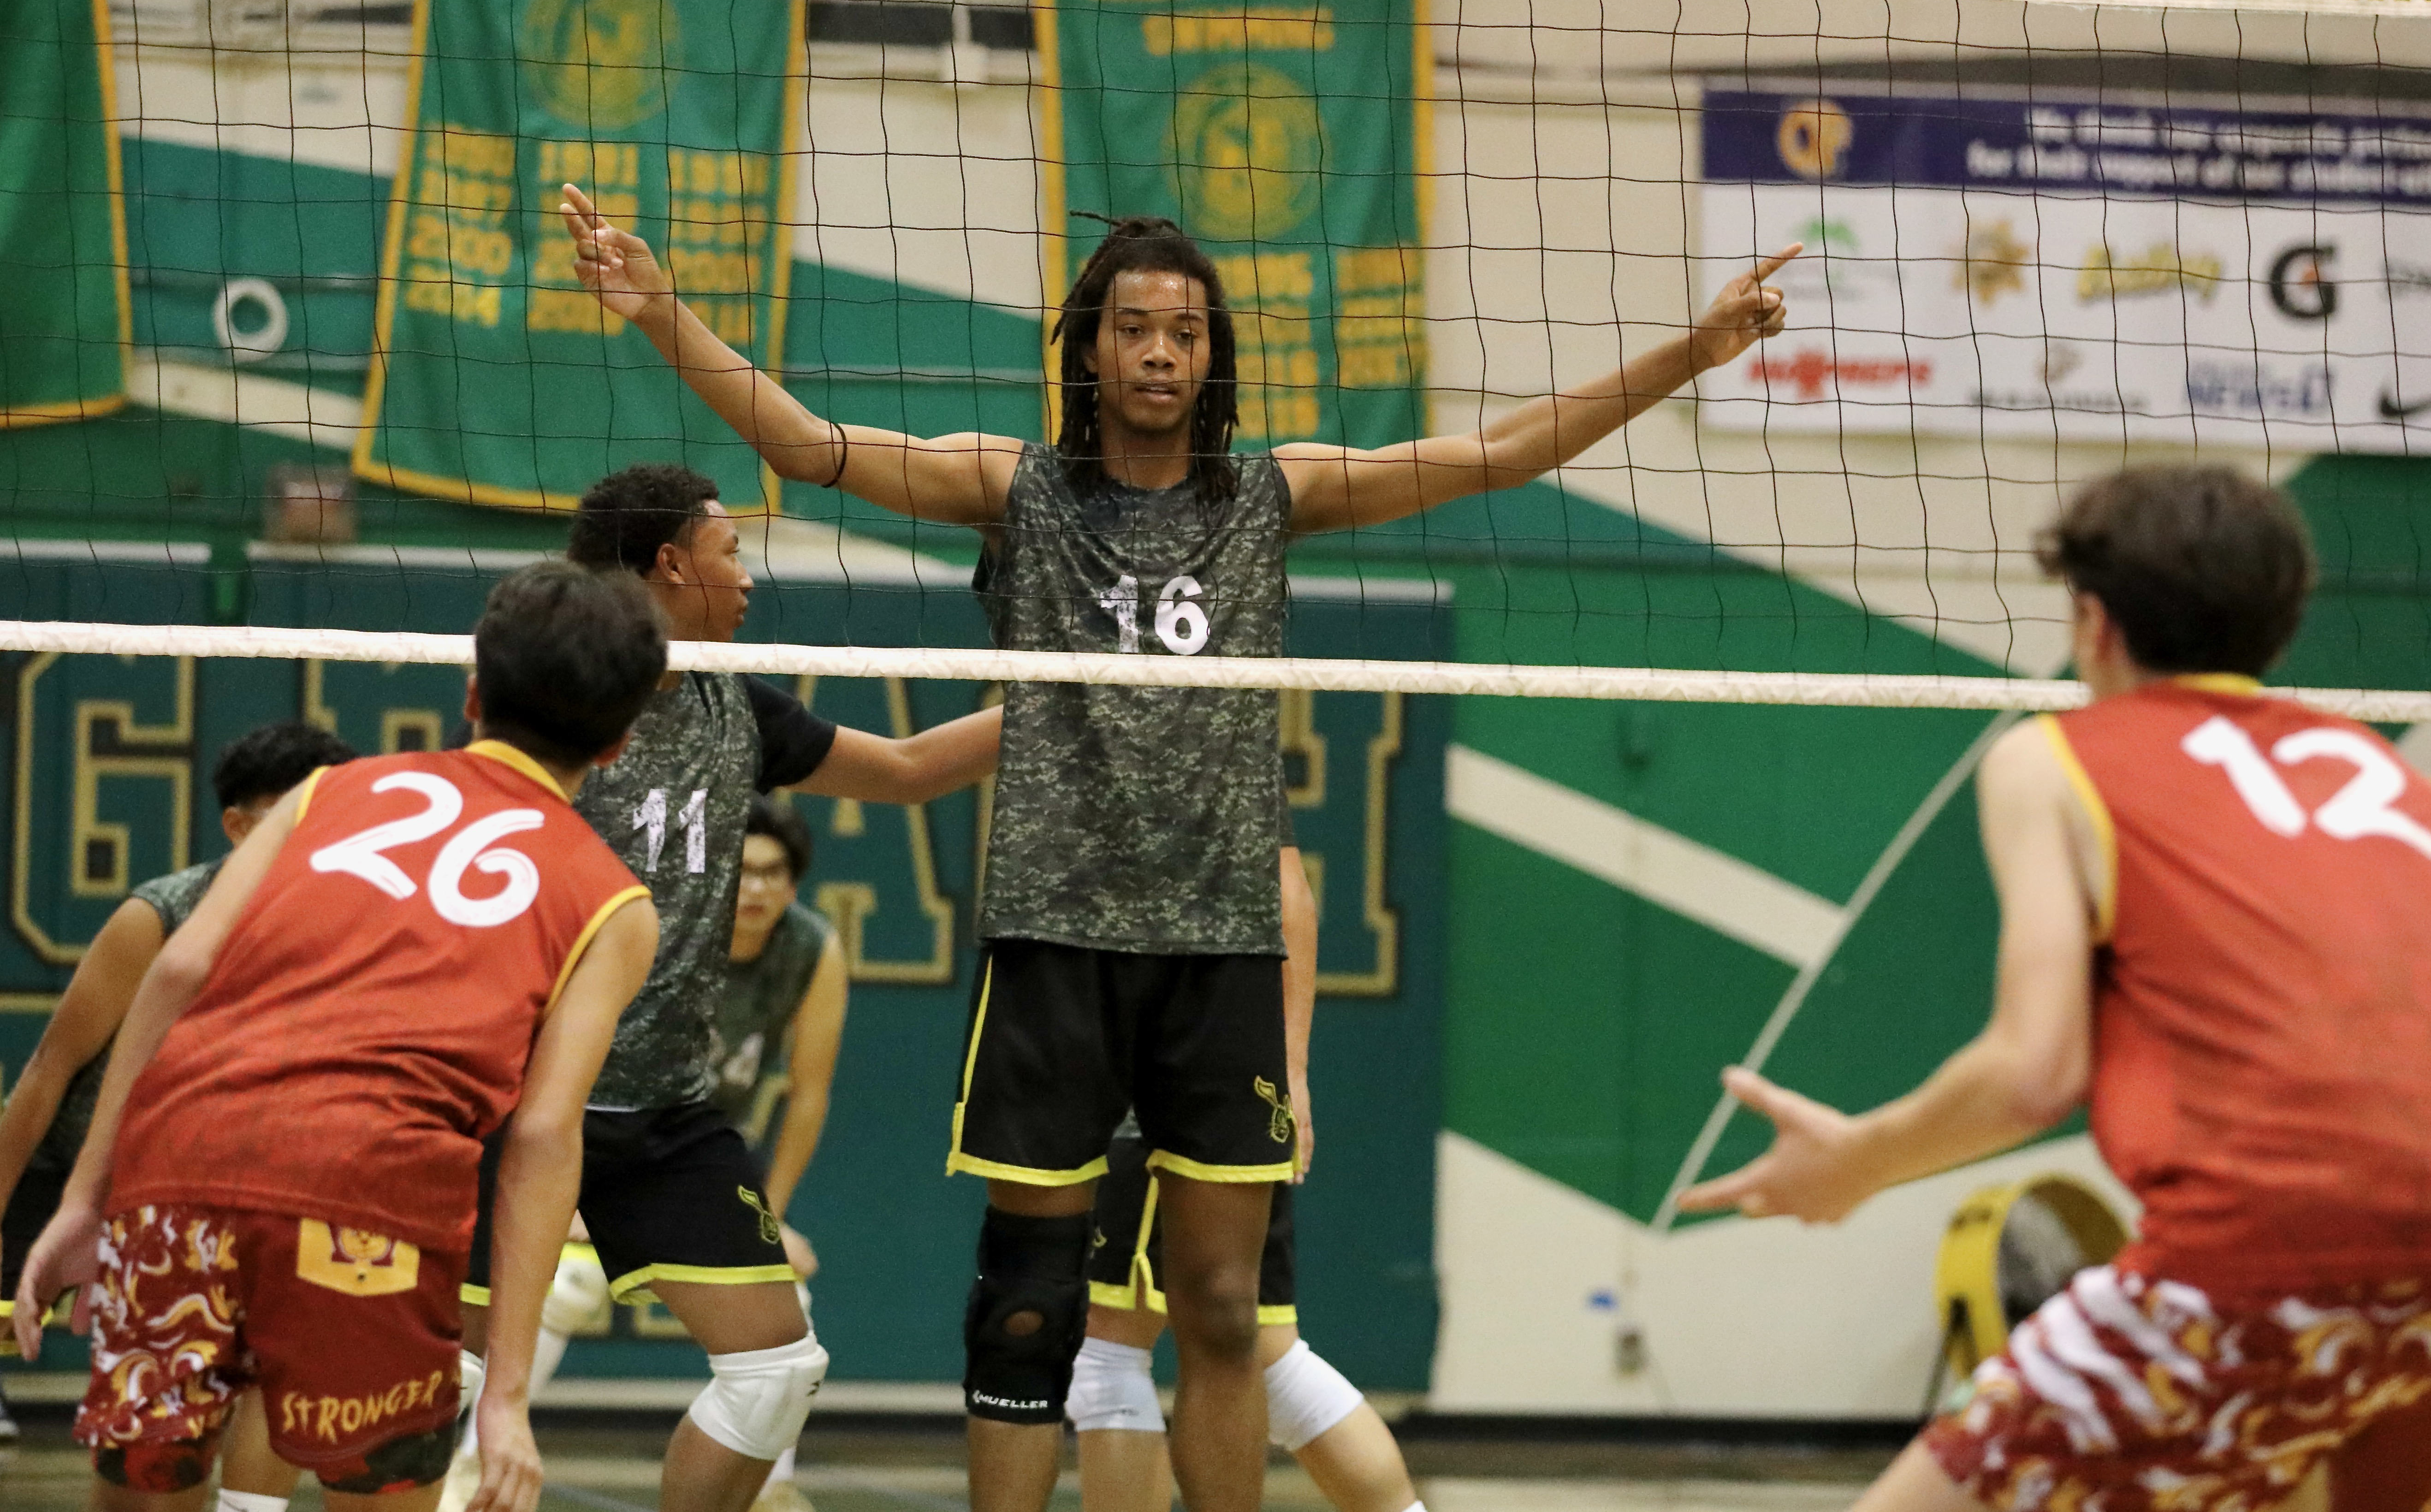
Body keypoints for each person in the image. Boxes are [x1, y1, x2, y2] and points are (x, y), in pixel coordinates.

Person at [557, 181, 1793, 1512]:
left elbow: (1492, 455)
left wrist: (1689, 352)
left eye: (1185, 333)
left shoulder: (1269, 495)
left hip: (1219, 955)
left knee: (1220, 1308)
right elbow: (807, 447)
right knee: (1029, 1306)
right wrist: (660, 310)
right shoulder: (1016, 488)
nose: (1159, 352)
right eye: (1134, 328)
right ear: (1088, 347)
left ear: (1213, 358)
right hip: (1056, 942)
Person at [1682, 464, 2431, 1512]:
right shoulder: (2379, 767)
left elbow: (2033, 1074)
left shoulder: (2052, 759)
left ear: (2092, 624)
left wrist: (1856, 1165)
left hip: (2264, 1238)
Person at [12, 561, 668, 1512]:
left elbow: (181, 972)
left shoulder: (326, 793)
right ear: (618, 745)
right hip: (371, 1199)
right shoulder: (615, 904)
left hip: (185, 1157)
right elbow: (540, 1135)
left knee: (146, 1492)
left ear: (474, 691)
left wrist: (86, 1196)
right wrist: (510, 1401)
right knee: (380, 1493)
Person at [453, 465, 1003, 1512]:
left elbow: (910, 767)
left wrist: (1083, 690)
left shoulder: (730, 703)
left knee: (775, 1372)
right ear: (669, 565)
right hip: (519, 1104)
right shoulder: (559, 703)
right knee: (458, 1389)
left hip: (664, 1111)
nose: (749, 579)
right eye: (731, 554)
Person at [448, 795, 848, 1512]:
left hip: (691, 1167)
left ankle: (770, 1490)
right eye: (744, 870)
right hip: (583, 1149)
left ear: (794, 884)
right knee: (552, 1293)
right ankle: (477, 1468)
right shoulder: (656, 928)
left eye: (774, 873)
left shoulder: (811, 948)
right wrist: (560, 1188)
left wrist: (773, 1217)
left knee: (790, 1333)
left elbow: (808, 1096)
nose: (755, 888)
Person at [0, 721, 355, 1504]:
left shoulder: (349, 926)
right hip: (76, 1177)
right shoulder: (158, 919)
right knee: (145, 1465)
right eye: (300, 812)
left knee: (244, 1390)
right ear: (238, 826)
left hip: (207, 1199)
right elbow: (48, 1069)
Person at [1069, 848, 1421, 1512]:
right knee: (1264, 1357)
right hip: (1203, 1065)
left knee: (1112, 1350)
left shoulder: (1186, 757)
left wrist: (1290, 1072)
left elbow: (1290, 894)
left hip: (1166, 1070)